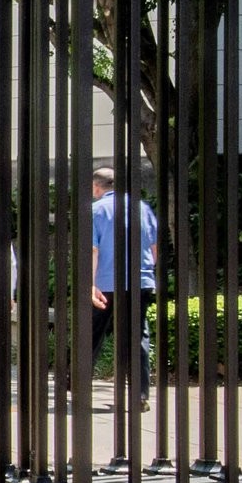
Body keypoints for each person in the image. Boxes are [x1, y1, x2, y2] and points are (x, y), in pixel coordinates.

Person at [88, 164, 158, 403]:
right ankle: (139, 394)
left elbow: (93, 251)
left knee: (93, 332)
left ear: (96, 187)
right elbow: (153, 246)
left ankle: (79, 383)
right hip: (141, 279)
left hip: (106, 282)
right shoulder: (142, 208)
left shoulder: (96, 210)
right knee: (138, 334)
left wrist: (91, 283)